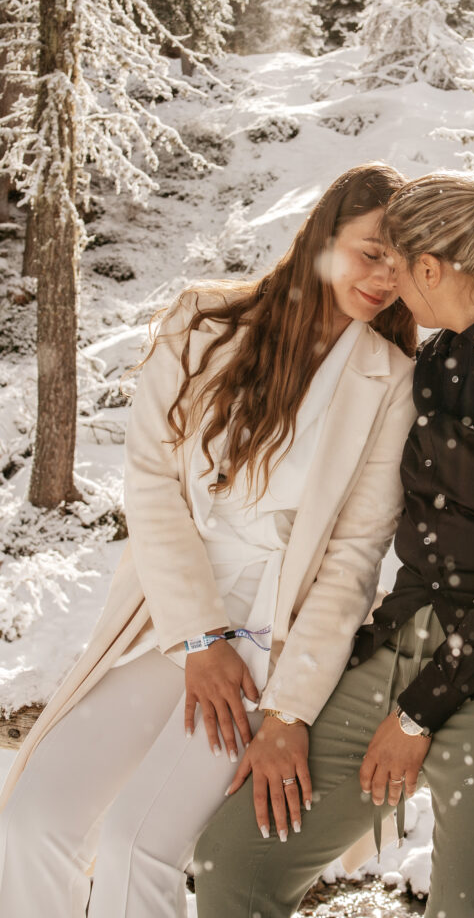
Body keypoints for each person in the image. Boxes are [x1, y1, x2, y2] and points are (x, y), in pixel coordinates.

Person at [193, 174, 474, 918]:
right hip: (416, 649)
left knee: (468, 908)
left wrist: (415, 715)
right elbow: (421, 543)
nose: (387, 283)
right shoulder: (438, 364)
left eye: (397, 266)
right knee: (236, 862)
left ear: (429, 269)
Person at [0, 162, 419, 918]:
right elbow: (151, 484)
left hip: (274, 642)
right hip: (168, 617)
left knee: (140, 845)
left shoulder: (390, 379)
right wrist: (199, 637)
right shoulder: (200, 322)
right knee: (33, 818)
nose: (385, 276)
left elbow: (354, 558)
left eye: (401, 259)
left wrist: (288, 712)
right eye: (370, 251)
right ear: (325, 239)